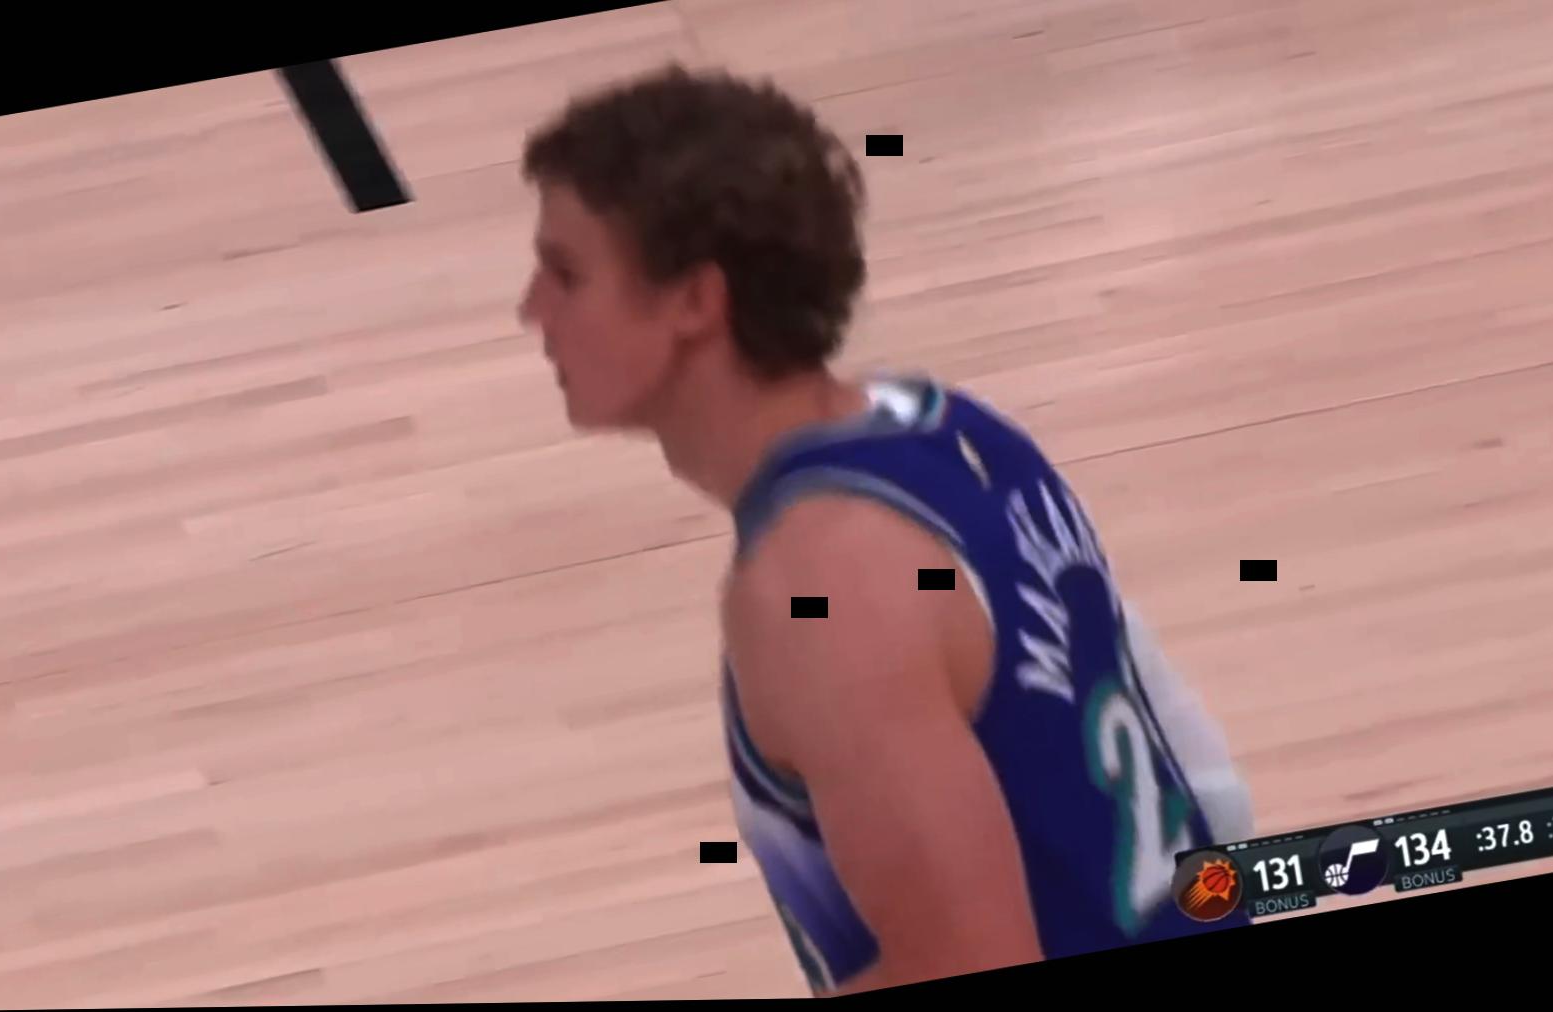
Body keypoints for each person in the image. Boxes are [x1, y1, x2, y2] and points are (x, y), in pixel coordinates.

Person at [515, 62, 1255, 997]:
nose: (532, 310)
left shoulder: (822, 590)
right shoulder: (954, 430)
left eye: (567, 274)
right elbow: (1199, 776)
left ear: (696, 300)